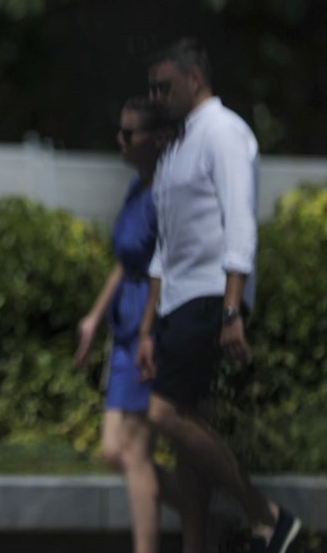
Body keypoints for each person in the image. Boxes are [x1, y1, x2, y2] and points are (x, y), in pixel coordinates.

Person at [135, 38, 301, 553]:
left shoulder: (225, 131)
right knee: (190, 429)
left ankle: (265, 514)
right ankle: (199, 543)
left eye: (165, 87)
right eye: (151, 89)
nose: (156, 97)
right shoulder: (176, 145)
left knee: (162, 414)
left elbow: (240, 223)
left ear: (195, 79)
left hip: (210, 296)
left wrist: (232, 309)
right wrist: (147, 328)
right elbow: (164, 248)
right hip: (177, 302)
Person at [74, 97, 176, 553]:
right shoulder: (137, 186)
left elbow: (161, 268)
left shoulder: (165, 193)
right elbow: (126, 261)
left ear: (157, 140)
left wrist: (148, 330)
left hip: (148, 323)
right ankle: (202, 506)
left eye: (129, 133)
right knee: (113, 449)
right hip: (124, 323)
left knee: (135, 451)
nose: (121, 139)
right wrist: (95, 317)